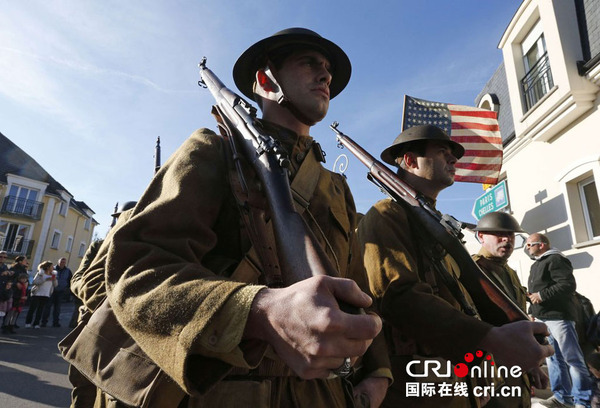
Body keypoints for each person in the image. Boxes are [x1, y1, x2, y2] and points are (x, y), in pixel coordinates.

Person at [98, 28, 390, 407]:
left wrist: (378, 371)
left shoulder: (336, 187)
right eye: (309, 64)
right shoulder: (212, 151)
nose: (326, 76)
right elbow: (136, 271)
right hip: (227, 389)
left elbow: (359, 287)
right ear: (266, 80)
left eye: (328, 70)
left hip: (325, 393)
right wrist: (259, 311)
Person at [358, 125, 554, 407]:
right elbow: (399, 297)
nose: (453, 160)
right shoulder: (387, 215)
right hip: (419, 383)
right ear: (411, 161)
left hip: (459, 380)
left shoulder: (439, 228)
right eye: (442, 153)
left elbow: (470, 301)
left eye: (453, 155)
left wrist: (513, 351)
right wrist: (488, 340)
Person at [472, 212, 548, 407]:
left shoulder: (510, 272)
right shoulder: (471, 270)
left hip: (516, 370)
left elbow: (517, 321)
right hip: (489, 372)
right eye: (498, 233)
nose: (507, 239)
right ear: (481, 236)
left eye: (511, 235)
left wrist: (532, 366)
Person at [67, 200, 137, 408]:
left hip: (122, 328)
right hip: (90, 319)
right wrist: (101, 297)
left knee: (115, 389)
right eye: (118, 219)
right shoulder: (99, 245)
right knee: (82, 383)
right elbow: (78, 278)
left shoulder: (142, 245)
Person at [527, 232, 593, 408]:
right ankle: (562, 398)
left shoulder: (556, 259)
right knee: (554, 360)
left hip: (559, 318)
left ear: (542, 245)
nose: (527, 248)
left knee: (573, 360)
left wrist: (541, 295)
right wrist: (531, 311)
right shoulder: (537, 265)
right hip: (543, 319)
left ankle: (583, 402)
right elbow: (533, 292)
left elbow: (567, 285)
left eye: (530, 245)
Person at [25, 261, 57, 328]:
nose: (53, 268)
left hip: (46, 294)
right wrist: (46, 279)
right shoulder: (40, 274)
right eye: (51, 266)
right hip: (37, 293)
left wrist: (54, 279)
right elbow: (35, 282)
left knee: (40, 310)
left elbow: (55, 285)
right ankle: (28, 322)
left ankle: (36, 323)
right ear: (48, 267)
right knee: (32, 309)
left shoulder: (53, 275)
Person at [41, 257, 72, 327]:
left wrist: (67, 288)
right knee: (47, 307)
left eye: (64, 262)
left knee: (57, 308)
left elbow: (70, 280)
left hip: (61, 291)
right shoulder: (52, 269)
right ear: (58, 262)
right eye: (61, 262)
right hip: (51, 290)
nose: (62, 263)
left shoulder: (68, 271)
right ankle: (44, 322)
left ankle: (55, 322)